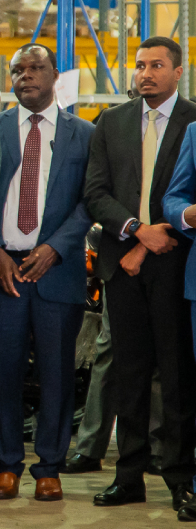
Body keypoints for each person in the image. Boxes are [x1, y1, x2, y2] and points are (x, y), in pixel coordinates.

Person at [0, 45, 93, 502]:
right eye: (17, 70)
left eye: (35, 68)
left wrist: (55, 247)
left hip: (56, 271)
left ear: (55, 75)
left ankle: (49, 466)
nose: (26, 76)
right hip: (2, 270)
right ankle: (6, 465)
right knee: (1, 373)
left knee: (57, 374)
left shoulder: (83, 134)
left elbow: (90, 200)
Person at [87, 36, 196, 510]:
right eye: (139, 65)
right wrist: (135, 233)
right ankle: (127, 475)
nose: (145, 73)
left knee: (177, 378)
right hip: (122, 267)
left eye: (156, 65)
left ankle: (178, 477)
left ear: (178, 72)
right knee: (127, 376)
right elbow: (95, 192)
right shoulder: (111, 122)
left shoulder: (194, 121)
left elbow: (183, 193)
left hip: (176, 265)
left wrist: (154, 239)